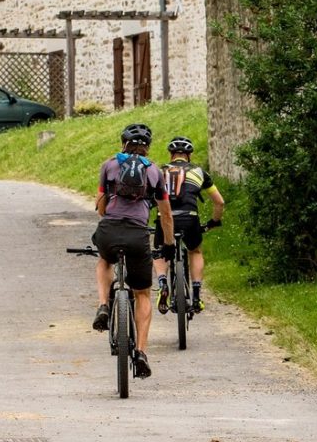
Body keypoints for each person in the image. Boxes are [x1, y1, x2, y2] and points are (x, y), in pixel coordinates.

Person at [92, 122, 174, 380]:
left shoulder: (109, 165)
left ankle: (104, 305)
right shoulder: (154, 173)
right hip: (138, 235)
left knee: (104, 260)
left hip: (110, 230)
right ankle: (140, 352)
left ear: (123, 144)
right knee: (142, 293)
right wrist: (168, 245)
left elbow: (101, 207)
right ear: (147, 148)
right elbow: (165, 214)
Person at [152, 136, 224, 315]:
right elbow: (219, 202)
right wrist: (214, 221)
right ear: (189, 155)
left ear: (171, 154)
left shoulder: (160, 172)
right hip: (190, 218)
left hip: (165, 219)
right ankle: (197, 295)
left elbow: (149, 200)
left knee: (160, 251)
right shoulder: (199, 171)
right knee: (195, 251)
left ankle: (162, 284)